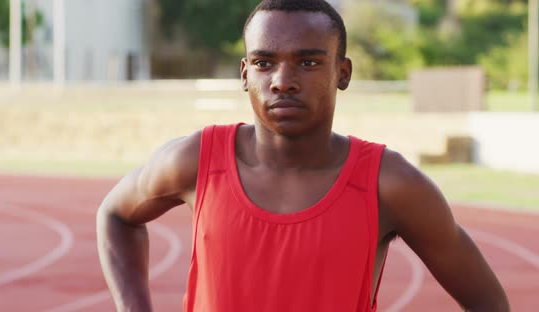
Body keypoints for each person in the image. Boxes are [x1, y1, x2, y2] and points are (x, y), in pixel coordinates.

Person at [97, 0, 510, 311]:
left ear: (342, 73)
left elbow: (489, 303)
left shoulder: (389, 184)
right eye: (264, 62)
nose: (282, 81)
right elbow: (115, 215)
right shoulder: (195, 161)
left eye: (308, 62)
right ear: (245, 74)